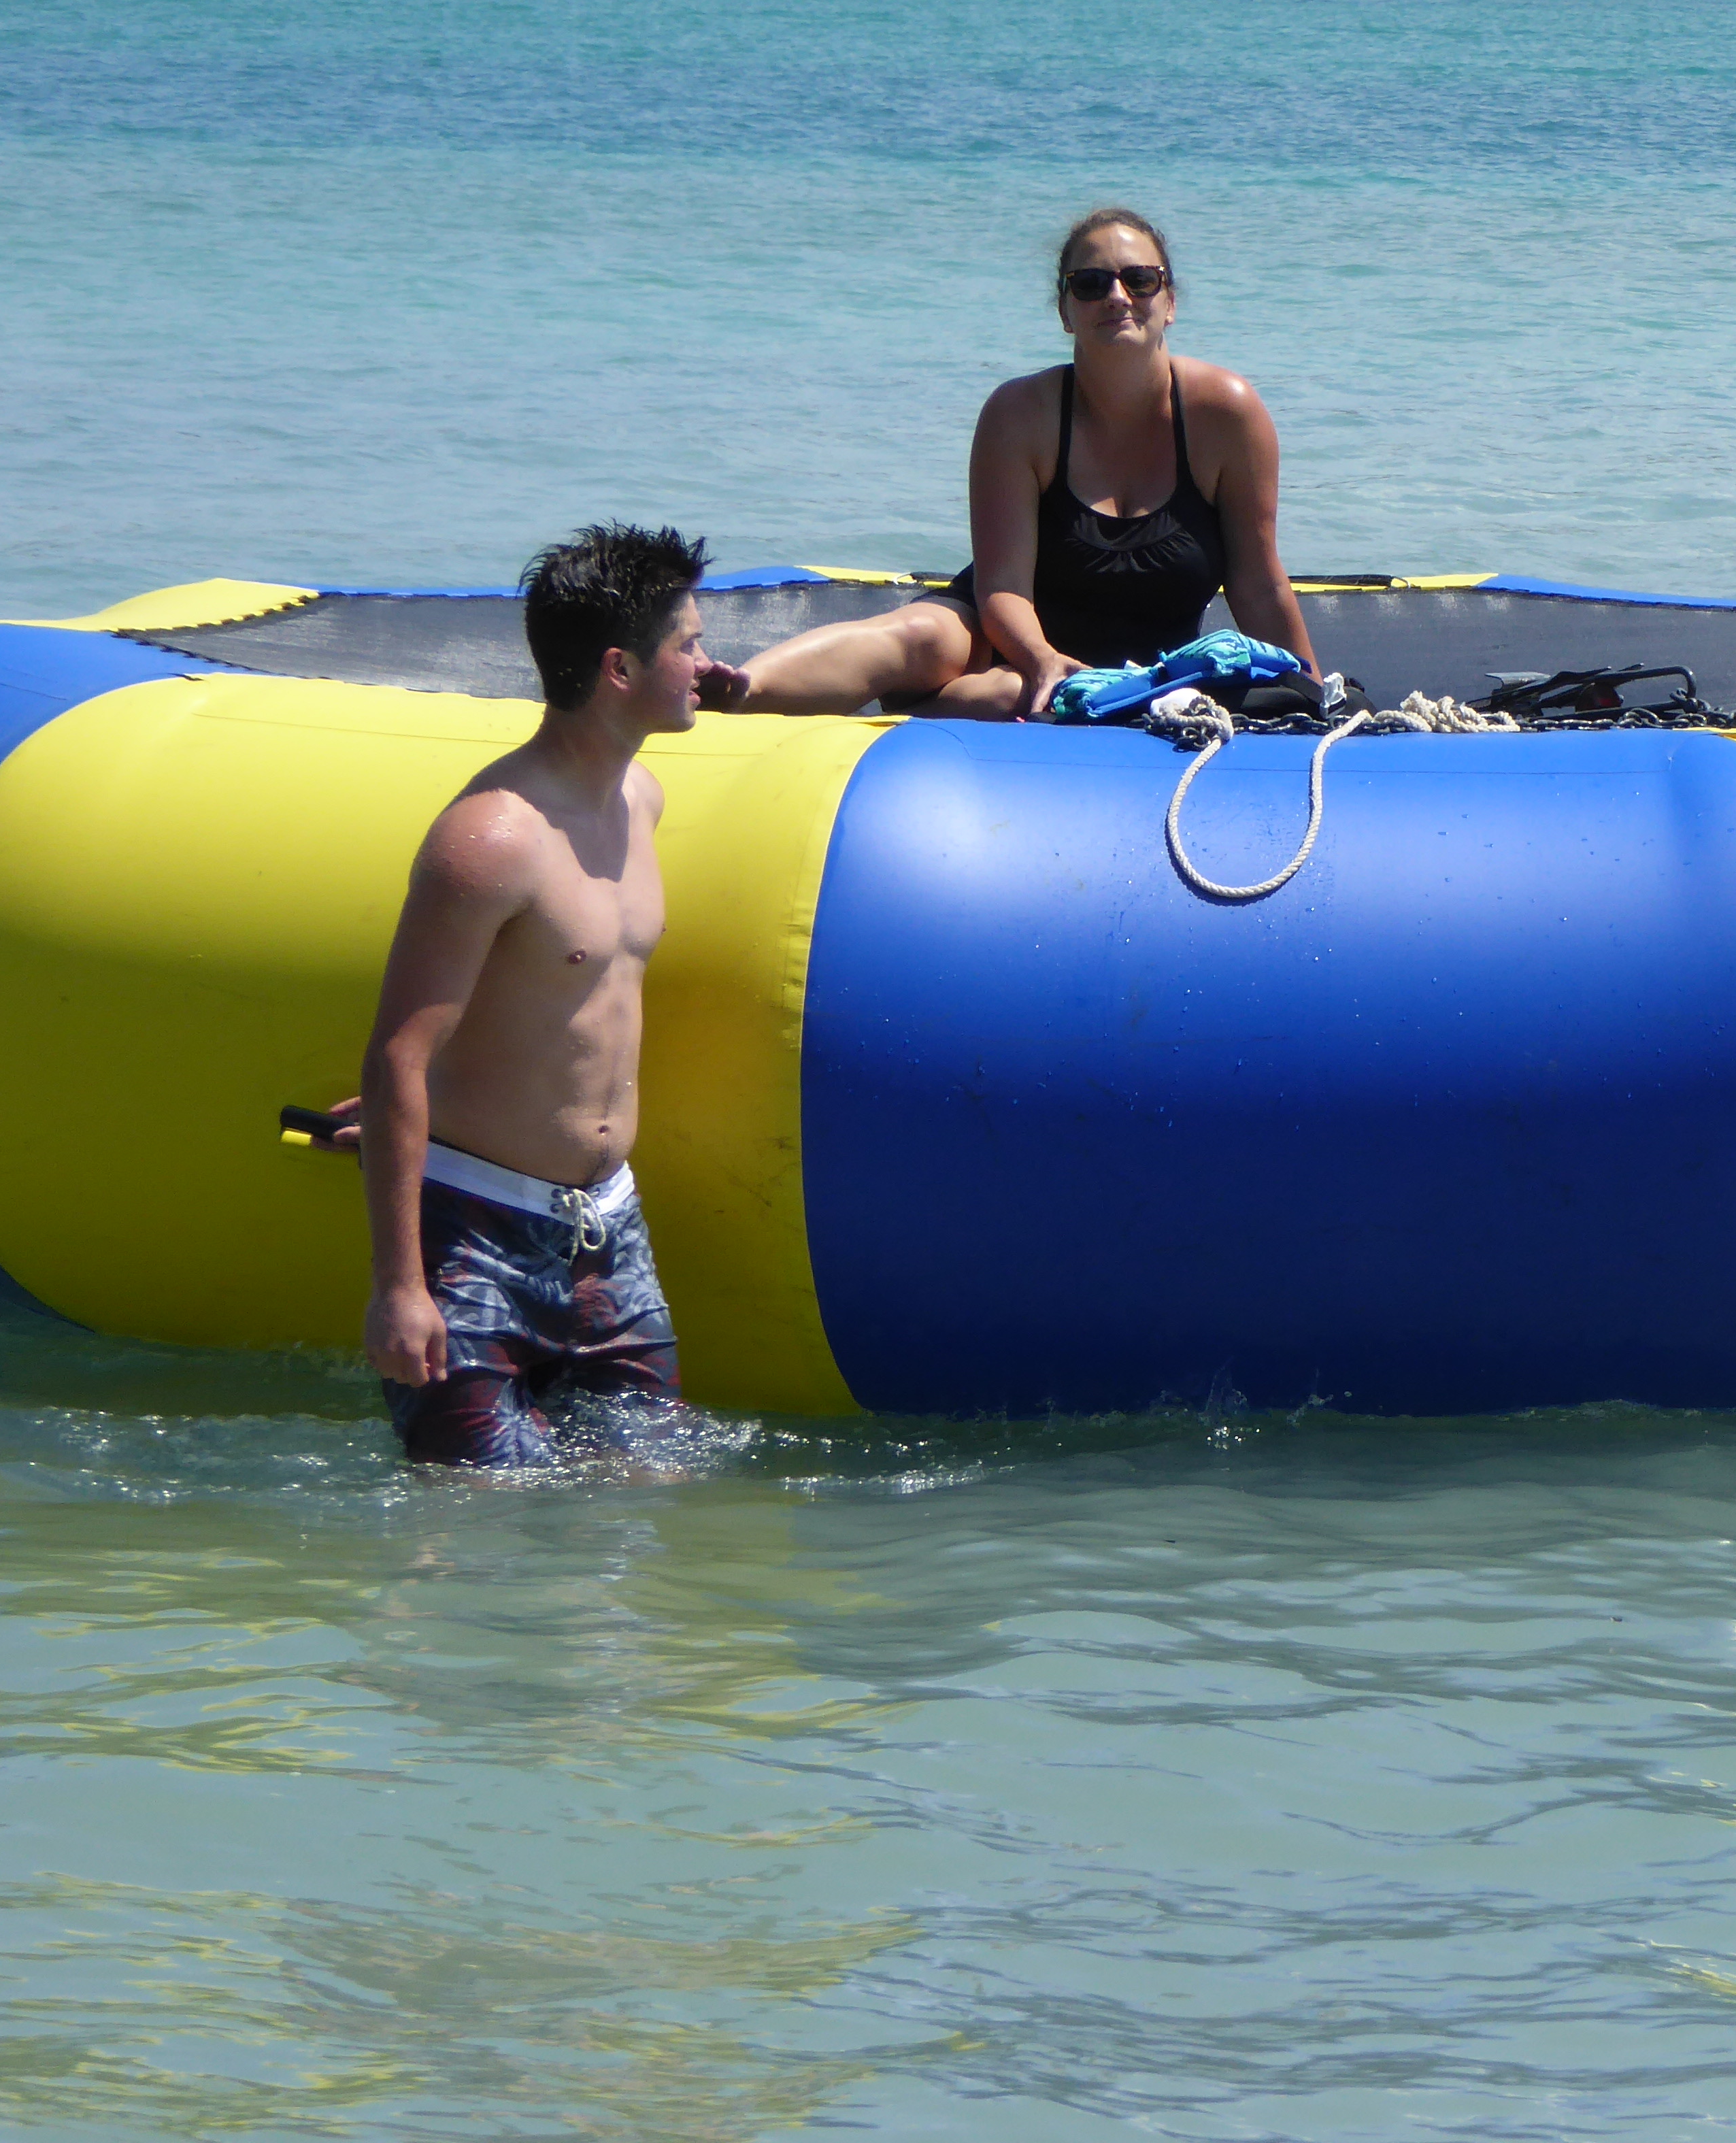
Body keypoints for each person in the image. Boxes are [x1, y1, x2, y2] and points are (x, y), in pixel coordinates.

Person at [341, 523, 712, 1465]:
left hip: (610, 1238)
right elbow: (397, 1058)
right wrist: (398, 1287)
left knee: (646, 1513)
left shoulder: (641, 801)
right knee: (478, 1535)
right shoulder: (493, 840)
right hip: (476, 1240)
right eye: (692, 645)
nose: (711, 661)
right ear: (621, 669)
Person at [707, 207, 1318, 720]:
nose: (1116, 297)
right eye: (1090, 283)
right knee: (922, 636)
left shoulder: (1226, 414)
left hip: (1141, 668)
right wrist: (1039, 658)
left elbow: (1258, 581)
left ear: (1170, 301)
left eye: (1139, 280)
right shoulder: (1020, 413)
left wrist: (1315, 691)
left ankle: (923, 706)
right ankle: (736, 691)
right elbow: (1002, 587)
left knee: (1008, 697)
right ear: (1065, 310)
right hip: (1001, 633)